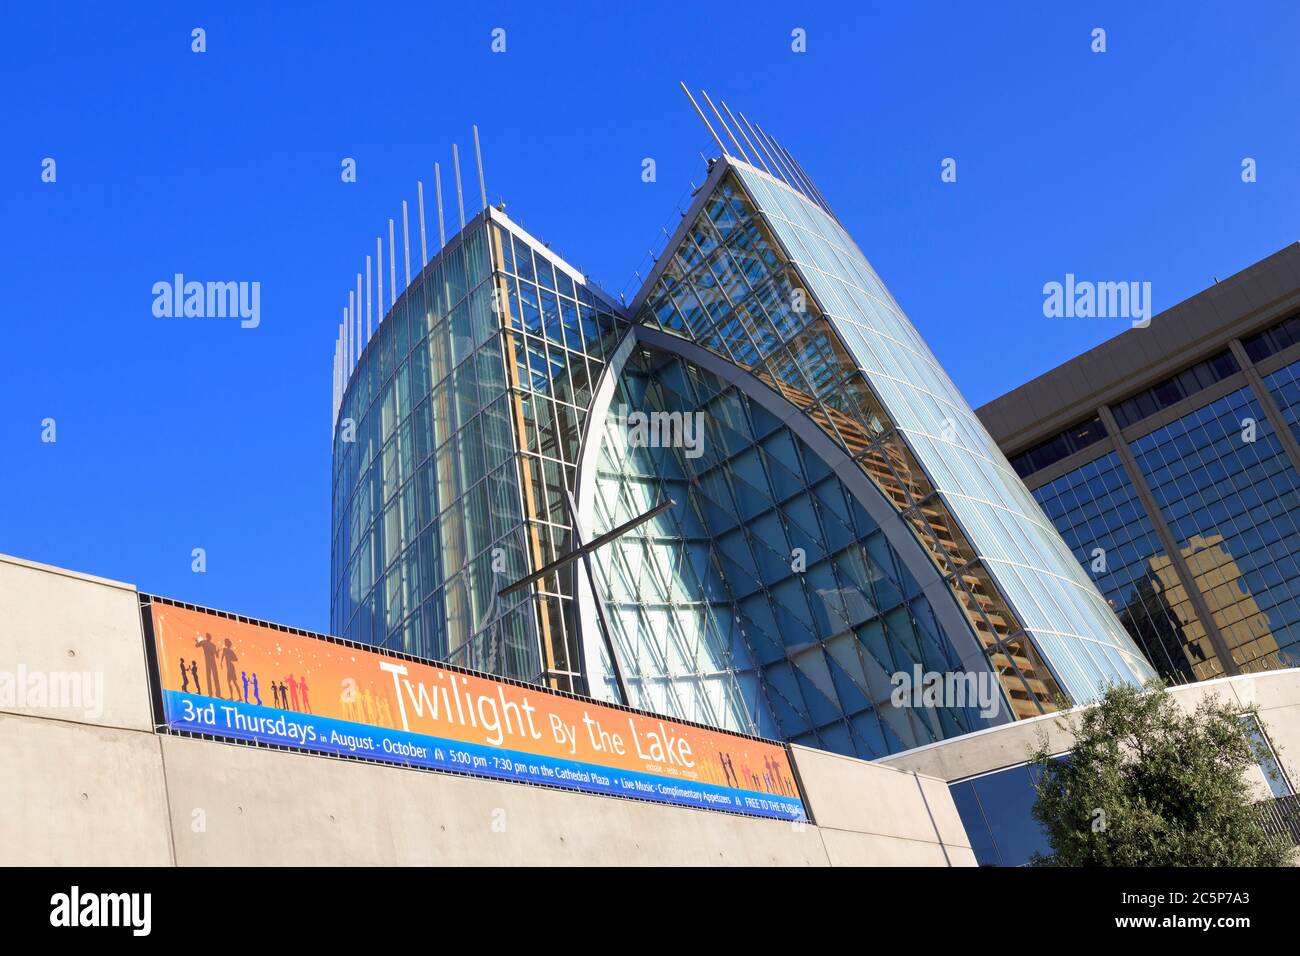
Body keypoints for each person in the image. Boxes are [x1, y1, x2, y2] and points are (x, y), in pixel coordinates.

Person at [195, 634, 220, 699]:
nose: (209, 638)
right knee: (211, 677)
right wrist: (197, 641)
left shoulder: (211, 644)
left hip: (211, 662)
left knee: (213, 677)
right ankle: (212, 694)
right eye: (208, 636)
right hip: (209, 662)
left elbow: (216, 656)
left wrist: (217, 652)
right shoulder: (205, 643)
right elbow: (197, 645)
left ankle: (216, 694)